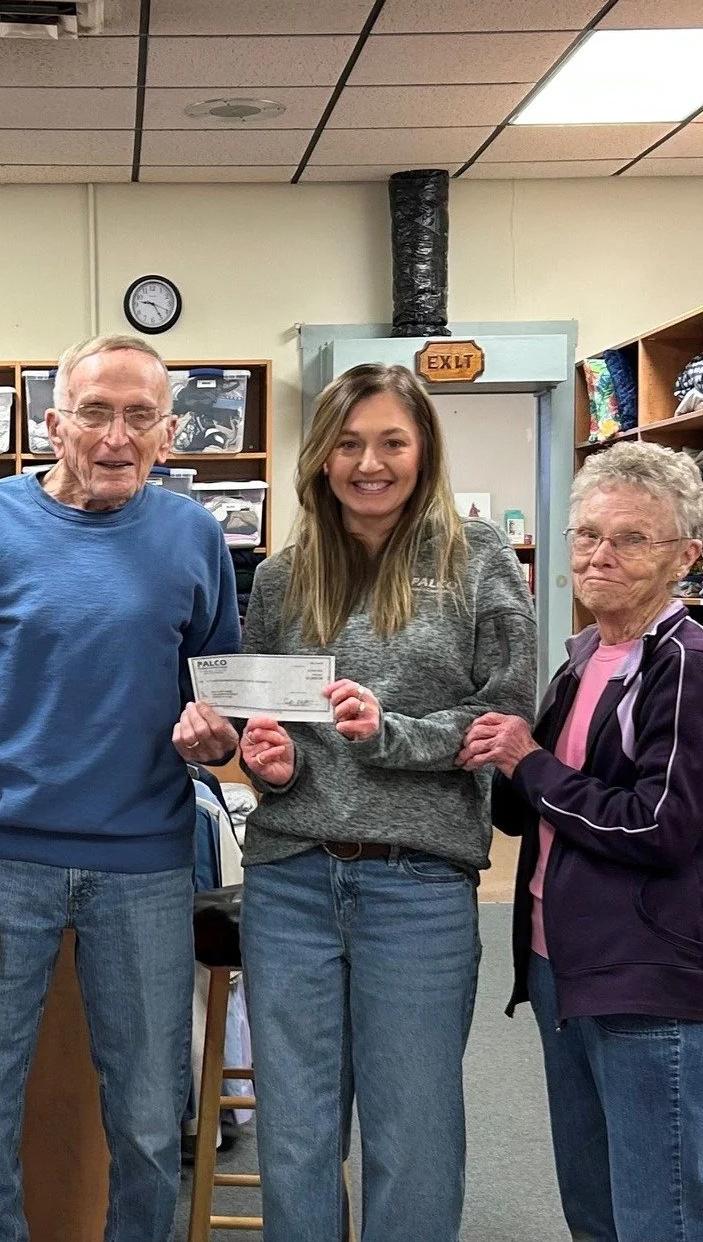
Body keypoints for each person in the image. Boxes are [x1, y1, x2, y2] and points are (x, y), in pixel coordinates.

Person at [175, 362, 538, 1242]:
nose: (368, 462)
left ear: (423, 451)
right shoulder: (281, 574)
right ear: (321, 457)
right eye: (347, 443)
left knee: (412, 1133)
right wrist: (269, 762)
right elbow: (276, 735)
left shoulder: (476, 555)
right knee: (294, 1134)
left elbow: (505, 716)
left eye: (391, 441)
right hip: (290, 881)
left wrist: (389, 734)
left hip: (417, 886)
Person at [0, 334, 241, 1242]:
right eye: (94, 411)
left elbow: (218, 705)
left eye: (139, 416)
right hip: (0, 861)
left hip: (143, 868)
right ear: (51, 423)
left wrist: (215, 740)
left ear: (168, 432)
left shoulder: (194, 536)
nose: (115, 436)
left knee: (145, 1120)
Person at [458, 441, 703, 1242]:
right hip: (566, 965)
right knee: (595, 1207)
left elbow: (658, 825)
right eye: (586, 534)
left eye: (631, 539)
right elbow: (533, 810)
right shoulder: (585, 657)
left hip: (645, 979)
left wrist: (532, 763)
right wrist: (492, 762)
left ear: (686, 553)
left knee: (666, 1216)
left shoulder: (689, 667)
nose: (599, 556)